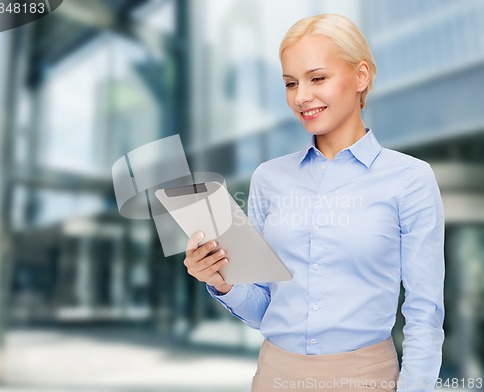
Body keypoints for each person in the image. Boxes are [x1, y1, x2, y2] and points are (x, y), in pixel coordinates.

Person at [183, 14, 444, 392]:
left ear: (361, 76)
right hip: (274, 377)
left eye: (317, 78)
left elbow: (425, 314)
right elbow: (263, 309)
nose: (301, 96)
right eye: (291, 83)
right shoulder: (269, 178)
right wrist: (220, 281)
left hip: (367, 379)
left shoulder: (410, 179)